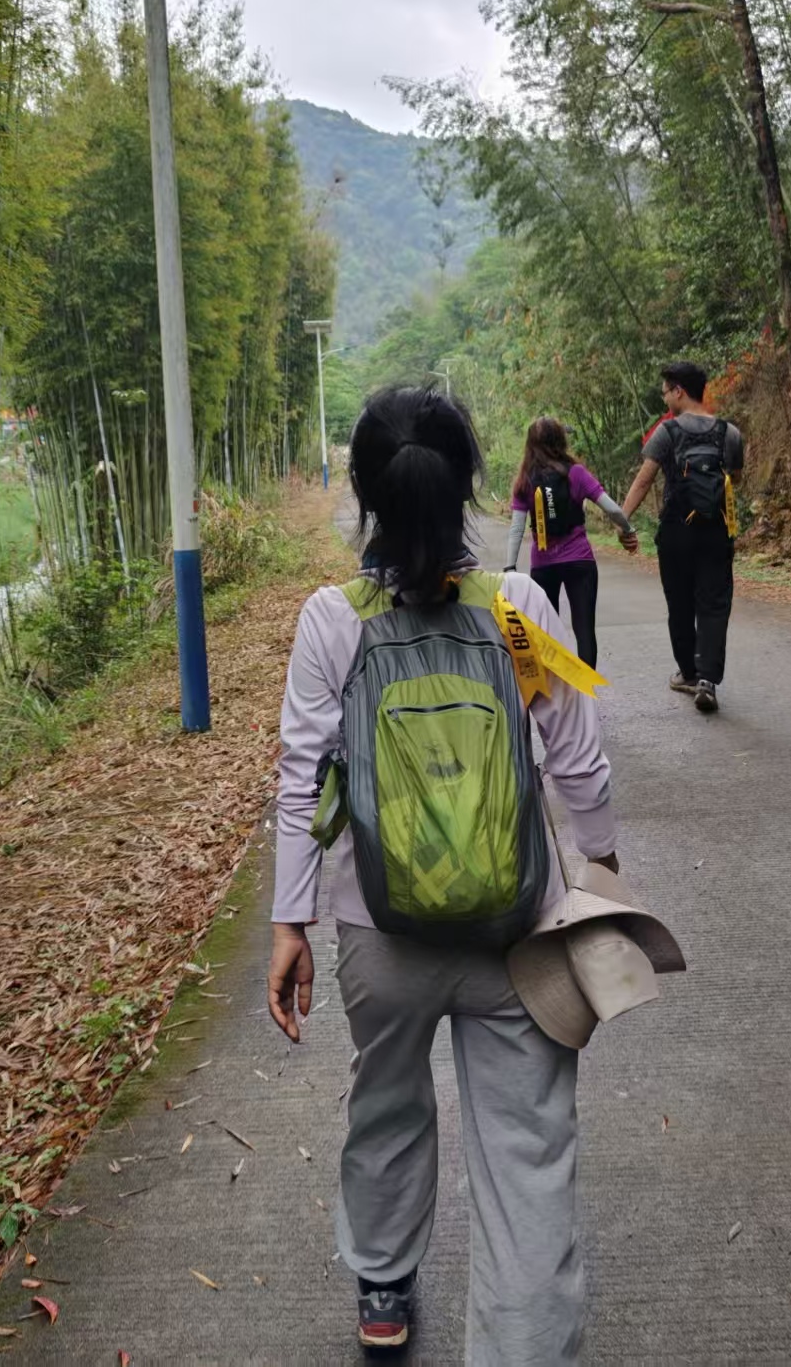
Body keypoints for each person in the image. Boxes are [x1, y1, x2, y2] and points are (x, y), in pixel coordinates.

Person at [269, 386, 619, 1364]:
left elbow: (301, 776)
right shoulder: (516, 608)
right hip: (516, 934)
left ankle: (383, 1283)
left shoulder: (331, 620)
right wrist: (598, 868)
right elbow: (579, 759)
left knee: (384, 1099)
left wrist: (290, 920)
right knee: (526, 1147)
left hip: (377, 930)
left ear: (365, 495)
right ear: (466, 485)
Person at [619, 361, 744, 714]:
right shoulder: (730, 433)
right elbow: (734, 479)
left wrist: (622, 521)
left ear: (679, 391)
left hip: (676, 533)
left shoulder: (667, 432)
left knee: (680, 604)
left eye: (665, 392)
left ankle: (688, 673)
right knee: (714, 604)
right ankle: (708, 680)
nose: (664, 399)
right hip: (716, 531)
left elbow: (644, 480)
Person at [505, 416, 637, 670]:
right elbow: (612, 509)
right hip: (580, 561)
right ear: (561, 441)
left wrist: (510, 567)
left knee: (547, 631)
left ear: (530, 445)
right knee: (584, 628)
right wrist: (628, 529)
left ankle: (557, 688)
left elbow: (517, 528)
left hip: (543, 565)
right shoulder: (576, 473)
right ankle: (586, 690)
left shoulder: (525, 480)